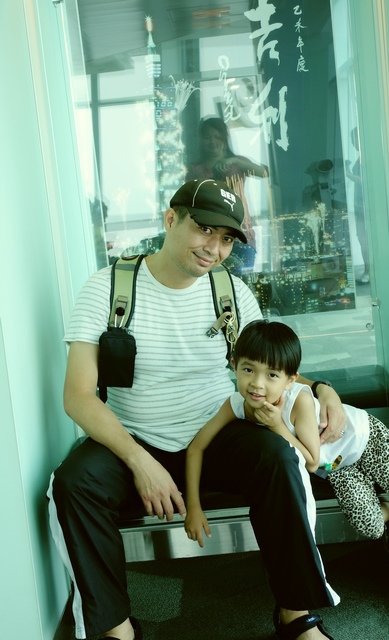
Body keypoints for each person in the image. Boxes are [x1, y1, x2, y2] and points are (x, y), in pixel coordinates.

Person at [48, 178, 346, 640]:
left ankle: (297, 617)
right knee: (71, 484)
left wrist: (324, 389)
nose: (214, 248)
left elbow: (271, 369)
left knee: (279, 457)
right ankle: (116, 629)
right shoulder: (107, 289)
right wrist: (139, 460)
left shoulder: (231, 294)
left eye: (226, 238)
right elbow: (78, 396)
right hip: (133, 437)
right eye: (204, 229)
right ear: (171, 219)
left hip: (217, 431)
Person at [185, 320, 389, 572]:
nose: (257, 383)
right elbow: (196, 448)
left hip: (366, 440)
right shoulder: (235, 405)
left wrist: (277, 426)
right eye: (248, 370)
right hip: (335, 466)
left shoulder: (298, 400)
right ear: (234, 366)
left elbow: (311, 462)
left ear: (290, 380)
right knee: (371, 526)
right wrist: (194, 507)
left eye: (271, 375)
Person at [187, 117, 268, 270]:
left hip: (241, 235)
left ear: (225, 138)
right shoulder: (195, 169)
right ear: (201, 140)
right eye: (207, 137)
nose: (212, 141)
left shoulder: (237, 163)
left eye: (217, 136)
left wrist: (234, 162)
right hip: (208, 239)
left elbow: (264, 173)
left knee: (242, 280)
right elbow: (190, 200)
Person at [346, 127, 370, 284]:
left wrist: (347, 173)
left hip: (365, 206)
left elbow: (363, 180)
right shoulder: (361, 158)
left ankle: (369, 270)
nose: (353, 143)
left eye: (354, 139)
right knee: (362, 238)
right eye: (352, 140)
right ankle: (368, 270)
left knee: (365, 239)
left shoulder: (367, 158)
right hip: (360, 206)